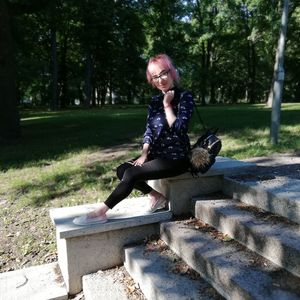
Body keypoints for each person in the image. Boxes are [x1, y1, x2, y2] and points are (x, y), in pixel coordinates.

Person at [73, 53, 194, 225]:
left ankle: (100, 212)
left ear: (171, 71)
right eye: (155, 77)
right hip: (157, 155)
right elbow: (149, 131)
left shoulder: (185, 97)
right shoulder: (154, 101)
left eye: (163, 73)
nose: (160, 80)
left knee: (132, 174)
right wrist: (144, 153)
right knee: (122, 169)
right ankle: (155, 196)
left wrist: (167, 105)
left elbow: (180, 130)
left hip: (177, 158)